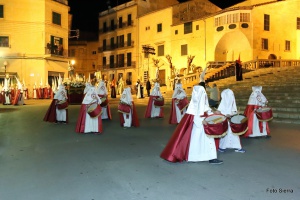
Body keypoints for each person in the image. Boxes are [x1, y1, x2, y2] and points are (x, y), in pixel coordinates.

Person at [160, 85, 223, 164]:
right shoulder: (193, 106)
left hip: (206, 125)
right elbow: (195, 116)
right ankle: (196, 157)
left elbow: (207, 109)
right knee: (197, 141)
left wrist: (214, 113)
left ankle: (212, 158)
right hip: (199, 127)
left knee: (208, 141)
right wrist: (202, 121)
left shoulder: (202, 102)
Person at [217, 89, 246, 153]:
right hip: (225, 122)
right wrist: (225, 115)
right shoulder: (223, 103)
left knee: (234, 134)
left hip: (232, 122)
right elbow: (219, 113)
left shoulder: (232, 102)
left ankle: (237, 147)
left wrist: (235, 113)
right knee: (225, 134)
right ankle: (222, 147)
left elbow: (233, 111)